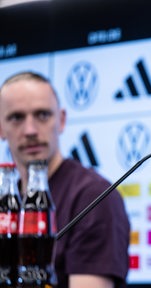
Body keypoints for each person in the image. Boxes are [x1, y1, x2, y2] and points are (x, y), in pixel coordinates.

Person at [0, 71, 130, 288]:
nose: (30, 130)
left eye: (42, 115)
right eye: (17, 118)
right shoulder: (8, 200)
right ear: (1, 128)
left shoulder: (94, 197)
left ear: (61, 120)